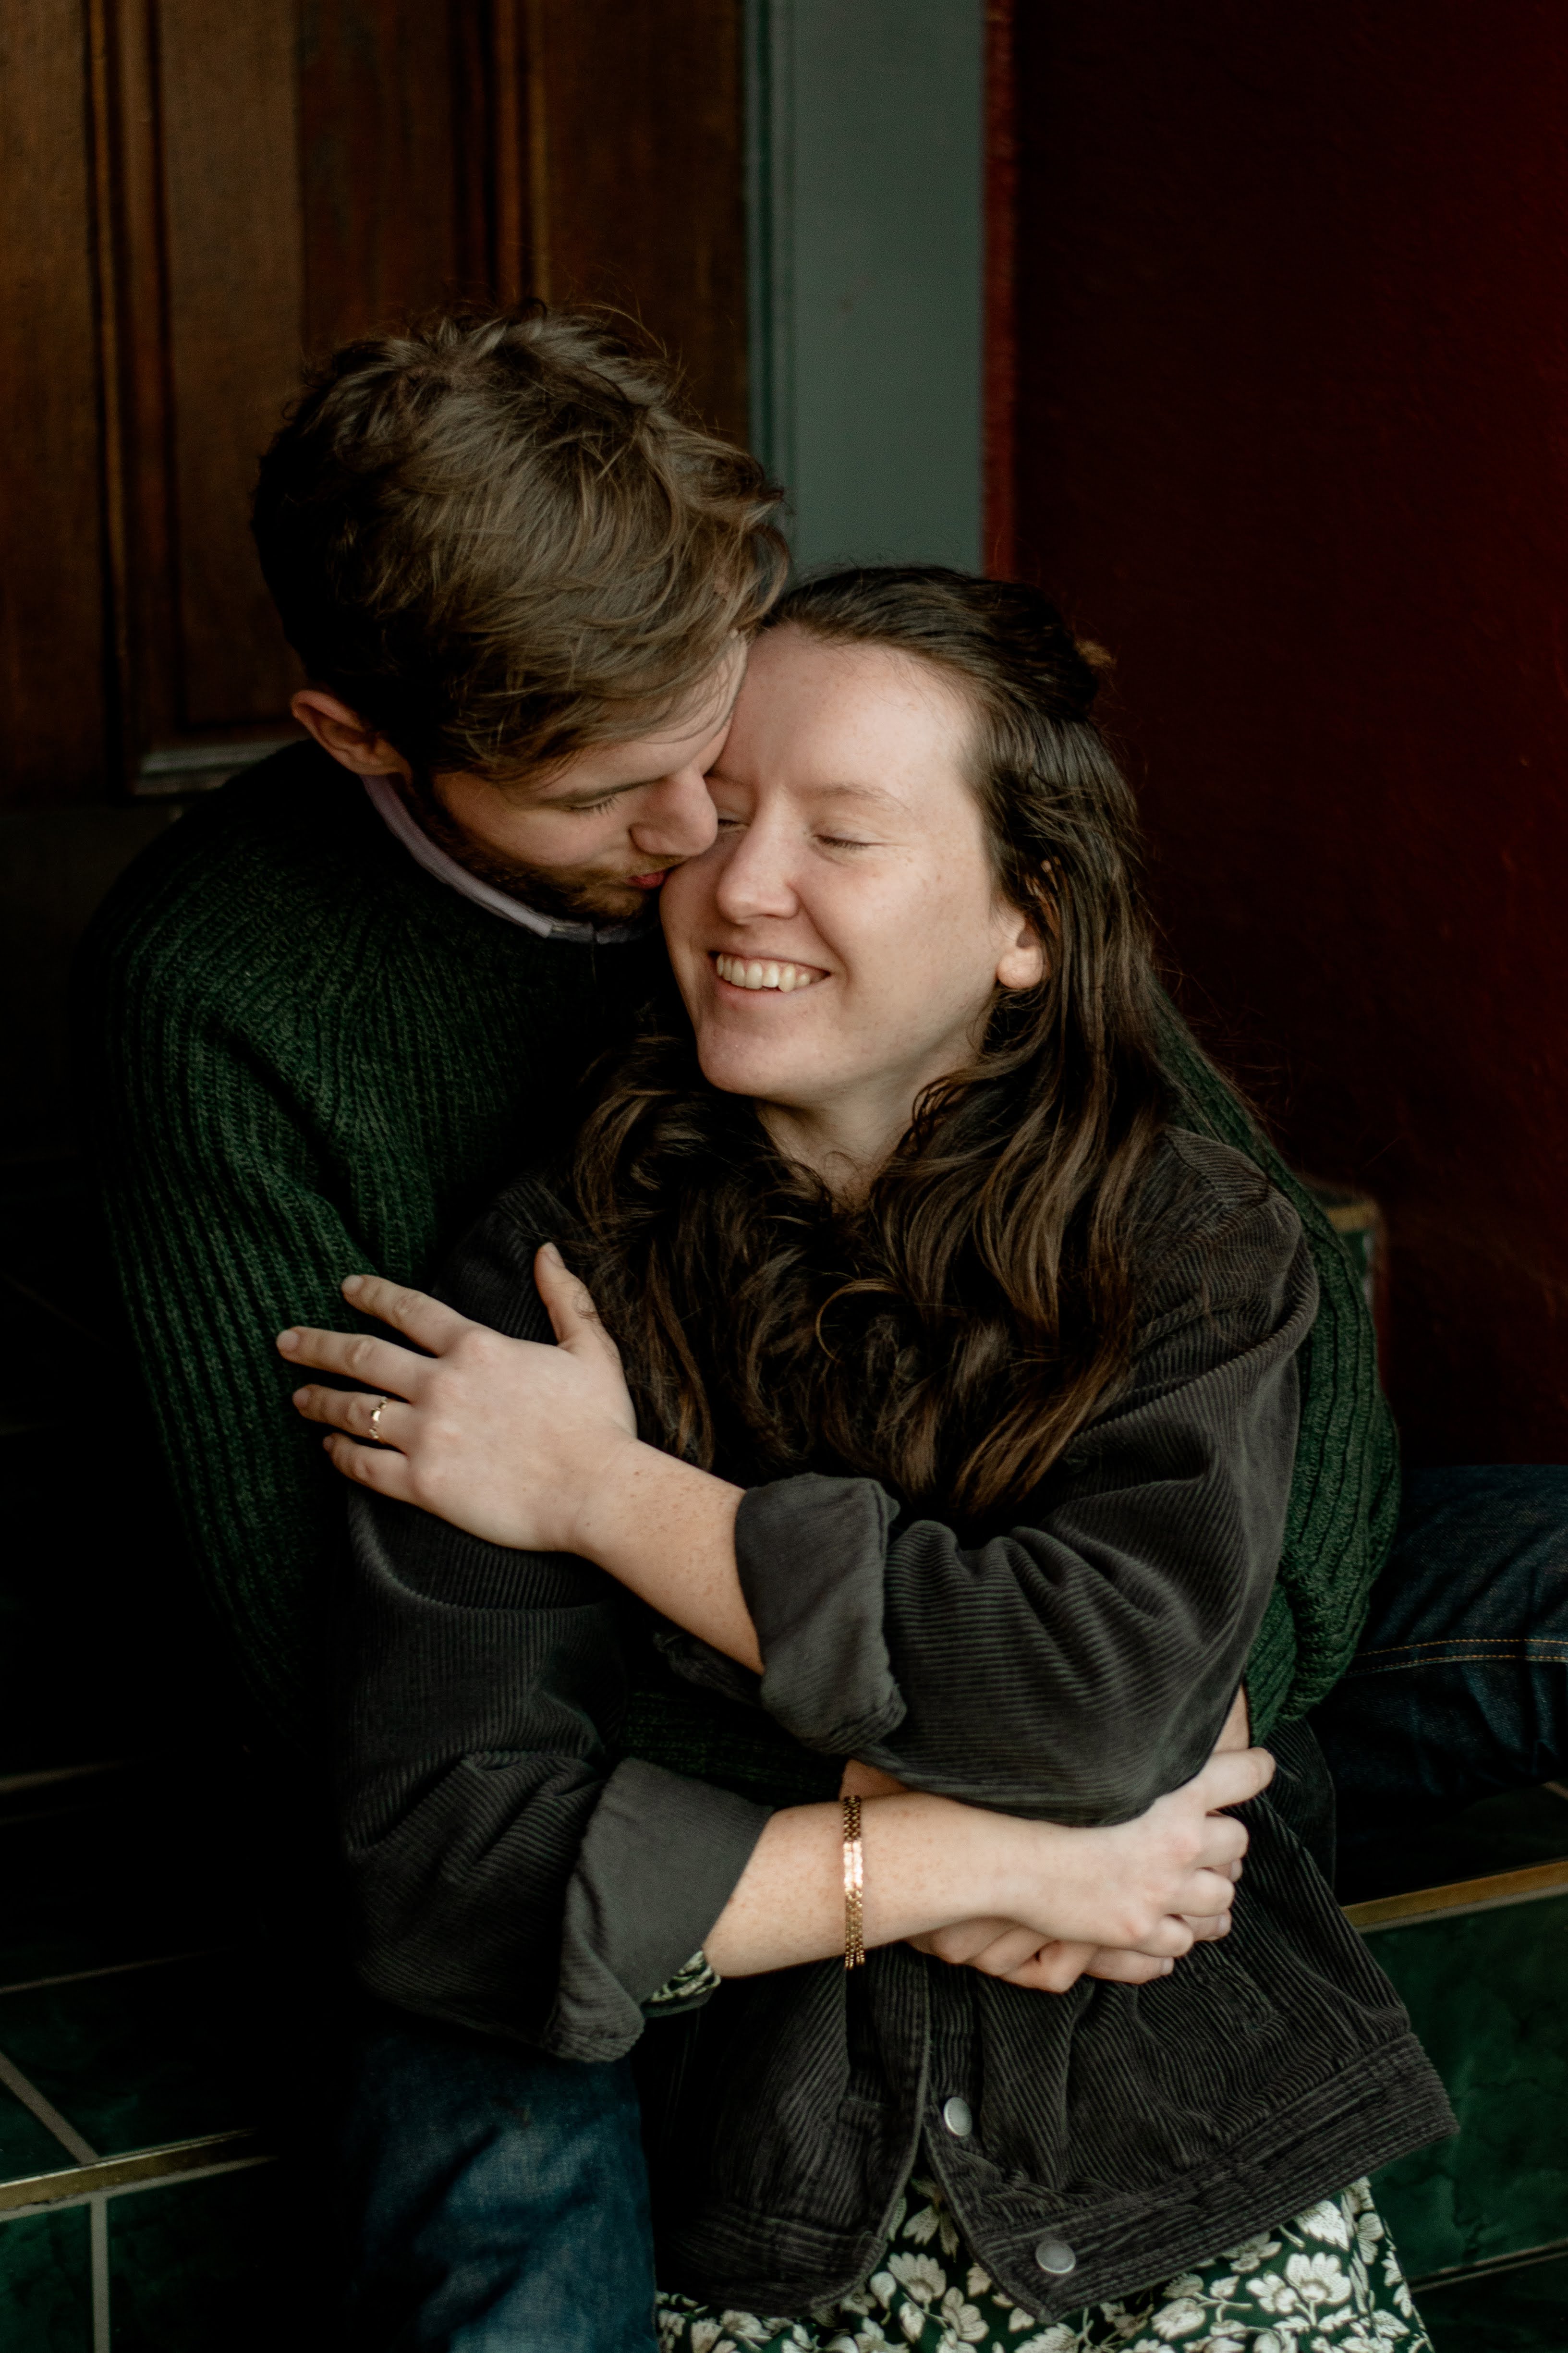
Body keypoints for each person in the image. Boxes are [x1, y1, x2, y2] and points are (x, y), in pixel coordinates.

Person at [284, 569, 1459, 2350]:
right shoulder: (546, 1280)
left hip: (1173, 2135)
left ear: (1028, 922)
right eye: (721, 814)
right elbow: (449, 1871)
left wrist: (613, 1498)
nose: (739, 885)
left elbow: (1097, 1704)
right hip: (776, 2199)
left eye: (842, 832)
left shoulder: (1186, 1238)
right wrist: (975, 1855)